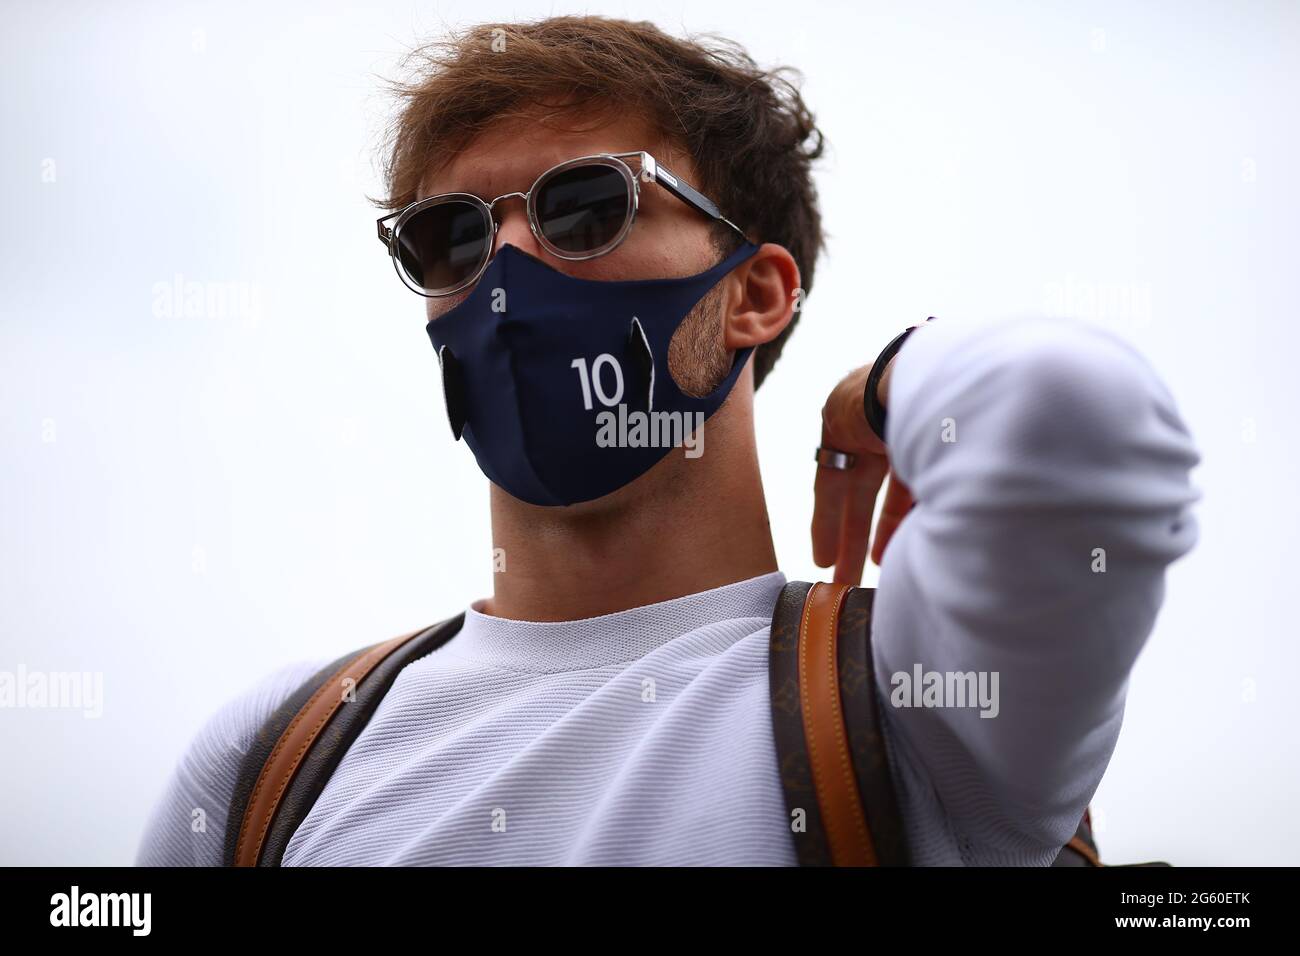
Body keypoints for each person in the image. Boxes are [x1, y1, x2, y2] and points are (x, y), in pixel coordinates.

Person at [136, 15, 1200, 866]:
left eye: (584, 206)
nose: (506, 266)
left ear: (755, 292)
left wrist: (883, 384)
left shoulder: (904, 695)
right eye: (450, 234)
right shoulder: (278, 753)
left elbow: (1075, 412)